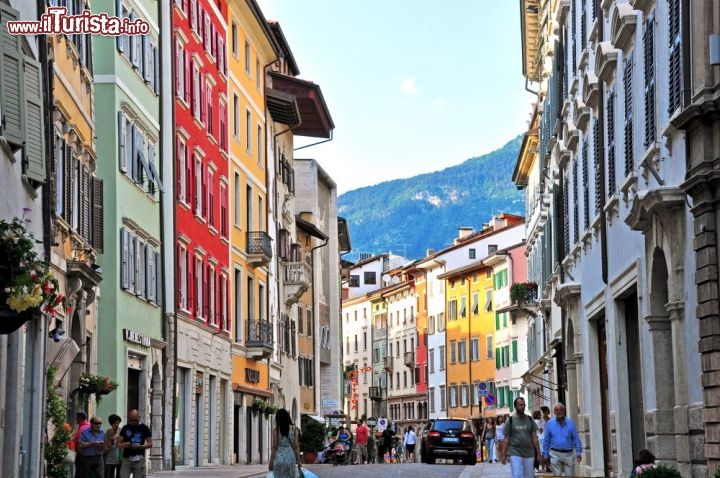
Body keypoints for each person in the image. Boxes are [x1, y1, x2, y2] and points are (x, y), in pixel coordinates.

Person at [499, 398, 541, 478]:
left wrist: (539, 454)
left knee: (529, 475)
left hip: (529, 452)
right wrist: (503, 454)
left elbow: (535, 438)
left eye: (524, 405)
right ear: (515, 406)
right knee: (518, 475)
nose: (523, 407)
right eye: (520, 405)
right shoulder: (510, 420)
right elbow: (506, 439)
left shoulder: (530, 419)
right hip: (515, 452)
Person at [540, 403, 582, 477]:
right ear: (554, 412)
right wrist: (545, 454)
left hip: (569, 454)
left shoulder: (570, 423)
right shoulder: (550, 424)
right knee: (557, 475)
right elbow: (546, 440)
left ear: (564, 411)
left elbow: (576, 438)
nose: (559, 411)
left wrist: (578, 452)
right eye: (557, 410)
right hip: (554, 454)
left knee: (569, 475)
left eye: (561, 410)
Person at [118, 409, 152, 478]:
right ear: (129, 419)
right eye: (131, 420)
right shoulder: (125, 428)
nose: (133, 422)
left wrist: (141, 446)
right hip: (127, 459)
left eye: (135, 420)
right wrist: (124, 444)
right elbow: (118, 444)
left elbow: (150, 443)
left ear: (139, 417)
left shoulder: (144, 428)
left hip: (139, 459)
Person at [268, 408, 302, 478]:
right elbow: (296, 446)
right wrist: (299, 462)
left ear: (278, 418)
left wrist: (271, 462)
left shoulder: (276, 429)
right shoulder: (294, 428)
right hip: (291, 457)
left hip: (279, 458)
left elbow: (274, 447)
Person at [73, 411, 91, 478]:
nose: (75, 419)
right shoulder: (87, 426)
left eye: (76, 418)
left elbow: (79, 441)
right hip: (86, 454)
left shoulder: (83, 428)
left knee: (80, 472)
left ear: (80, 418)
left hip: (82, 454)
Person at [104, 414, 122, 478]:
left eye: (118, 423)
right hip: (110, 458)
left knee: (119, 475)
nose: (117, 425)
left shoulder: (121, 431)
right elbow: (106, 446)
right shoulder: (108, 432)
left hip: (119, 458)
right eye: (115, 423)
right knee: (109, 475)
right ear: (111, 424)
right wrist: (111, 440)